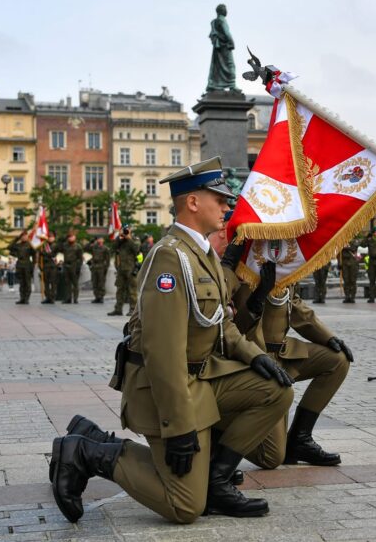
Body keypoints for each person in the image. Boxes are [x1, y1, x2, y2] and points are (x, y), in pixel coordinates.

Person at [50, 156, 293, 524]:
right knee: (184, 507)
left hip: (199, 379)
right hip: (165, 389)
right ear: (193, 202)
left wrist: (253, 355)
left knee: (275, 389)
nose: (228, 205)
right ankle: (86, 452)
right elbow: (162, 354)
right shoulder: (170, 258)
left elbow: (216, 321)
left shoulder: (203, 252)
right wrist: (179, 428)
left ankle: (216, 480)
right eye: (219, 198)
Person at [222, 244, 352, 469]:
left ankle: (300, 438)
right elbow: (230, 327)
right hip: (254, 359)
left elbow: (293, 303)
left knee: (337, 359)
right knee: (271, 457)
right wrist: (257, 297)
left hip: (283, 352)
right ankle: (218, 429)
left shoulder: (281, 257)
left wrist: (328, 337)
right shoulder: (241, 264)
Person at [108, 227, 140, 316]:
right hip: (121, 268)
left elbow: (136, 250)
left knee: (132, 290)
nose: (125, 232)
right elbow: (112, 249)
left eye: (127, 230)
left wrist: (129, 239)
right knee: (119, 289)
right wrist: (118, 238)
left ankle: (133, 309)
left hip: (131, 269)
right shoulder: (120, 241)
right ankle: (118, 309)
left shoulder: (134, 240)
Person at [7, 231, 35, 305]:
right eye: (22, 236)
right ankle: (22, 298)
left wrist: (34, 264)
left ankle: (26, 298)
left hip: (27, 265)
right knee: (21, 283)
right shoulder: (18, 245)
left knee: (27, 283)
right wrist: (16, 238)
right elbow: (9, 247)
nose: (24, 237)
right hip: (19, 265)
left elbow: (34, 255)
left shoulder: (30, 245)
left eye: (25, 236)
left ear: (27, 236)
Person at [59, 231, 85, 304]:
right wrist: (62, 239)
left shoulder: (78, 246)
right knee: (67, 283)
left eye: (72, 236)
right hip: (66, 265)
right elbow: (59, 249)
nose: (71, 238)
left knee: (75, 283)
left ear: (75, 237)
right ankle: (68, 298)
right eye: (69, 237)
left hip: (74, 265)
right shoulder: (65, 245)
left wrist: (78, 267)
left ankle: (75, 298)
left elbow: (80, 258)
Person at [85, 236, 111, 304]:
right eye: (98, 239)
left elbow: (108, 259)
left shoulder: (105, 249)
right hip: (94, 267)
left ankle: (101, 297)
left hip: (101, 266)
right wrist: (91, 242)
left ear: (103, 240)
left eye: (100, 239)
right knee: (94, 282)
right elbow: (85, 248)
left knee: (101, 283)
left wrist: (106, 268)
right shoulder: (94, 247)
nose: (99, 240)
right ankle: (96, 297)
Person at [38, 231, 59, 304]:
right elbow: (40, 257)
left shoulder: (56, 245)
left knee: (53, 282)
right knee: (46, 283)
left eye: (51, 237)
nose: (50, 238)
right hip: (45, 266)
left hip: (53, 266)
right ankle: (48, 297)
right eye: (49, 237)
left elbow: (52, 254)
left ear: (54, 237)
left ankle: (52, 297)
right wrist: (40, 266)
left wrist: (43, 253)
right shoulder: (43, 246)